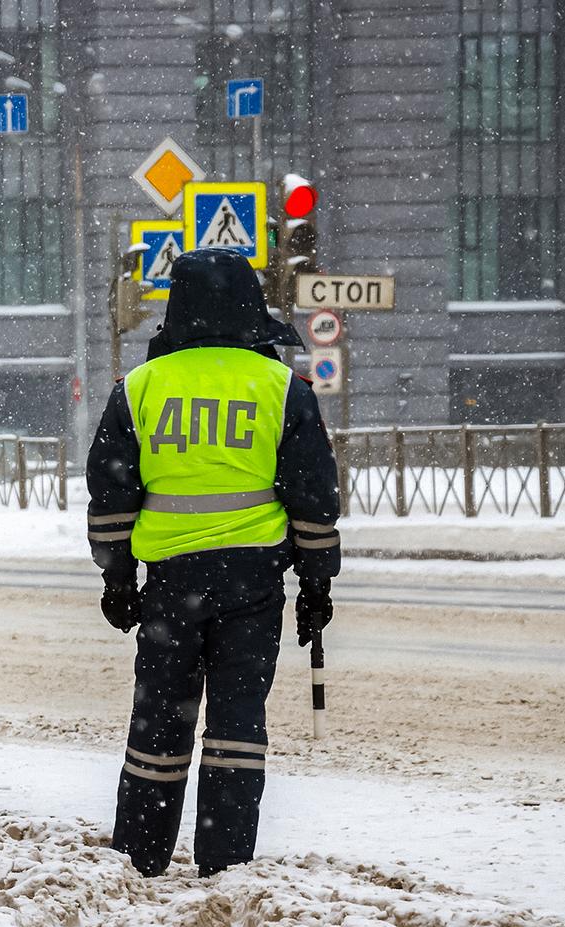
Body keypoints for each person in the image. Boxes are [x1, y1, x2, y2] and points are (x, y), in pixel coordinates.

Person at [86, 247, 340, 878]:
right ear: (252, 311)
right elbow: (312, 499)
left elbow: (111, 494)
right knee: (237, 727)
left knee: (158, 725)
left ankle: (140, 854)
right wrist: (315, 585)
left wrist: (117, 578)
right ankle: (224, 859)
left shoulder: (140, 390)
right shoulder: (284, 390)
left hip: (170, 585)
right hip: (253, 583)